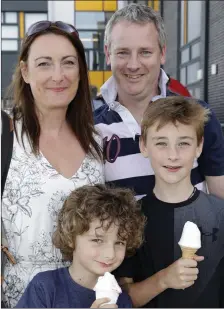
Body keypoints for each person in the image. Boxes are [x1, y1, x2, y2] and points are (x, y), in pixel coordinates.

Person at [1, 21, 104, 307]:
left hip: (87, 298)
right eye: (44, 64)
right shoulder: (6, 134)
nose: (58, 75)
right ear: (25, 71)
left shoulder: (98, 142)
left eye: (68, 63)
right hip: (21, 299)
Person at [94, 3, 224, 200]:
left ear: (162, 53)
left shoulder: (199, 116)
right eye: (123, 52)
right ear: (108, 53)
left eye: (145, 52)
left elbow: (220, 203)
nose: (133, 64)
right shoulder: (91, 127)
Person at [114, 96, 224, 308]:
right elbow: (122, 298)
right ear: (144, 146)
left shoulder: (220, 214)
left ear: (199, 147)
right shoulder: (130, 220)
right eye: (161, 143)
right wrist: (163, 279)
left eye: (183, 143)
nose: (173, 155)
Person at [16, 184, 145, 308]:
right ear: (71, 237)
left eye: (119, 243)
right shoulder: (44, 288)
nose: (110, 254)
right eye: (97, 240)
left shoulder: (121, 300)